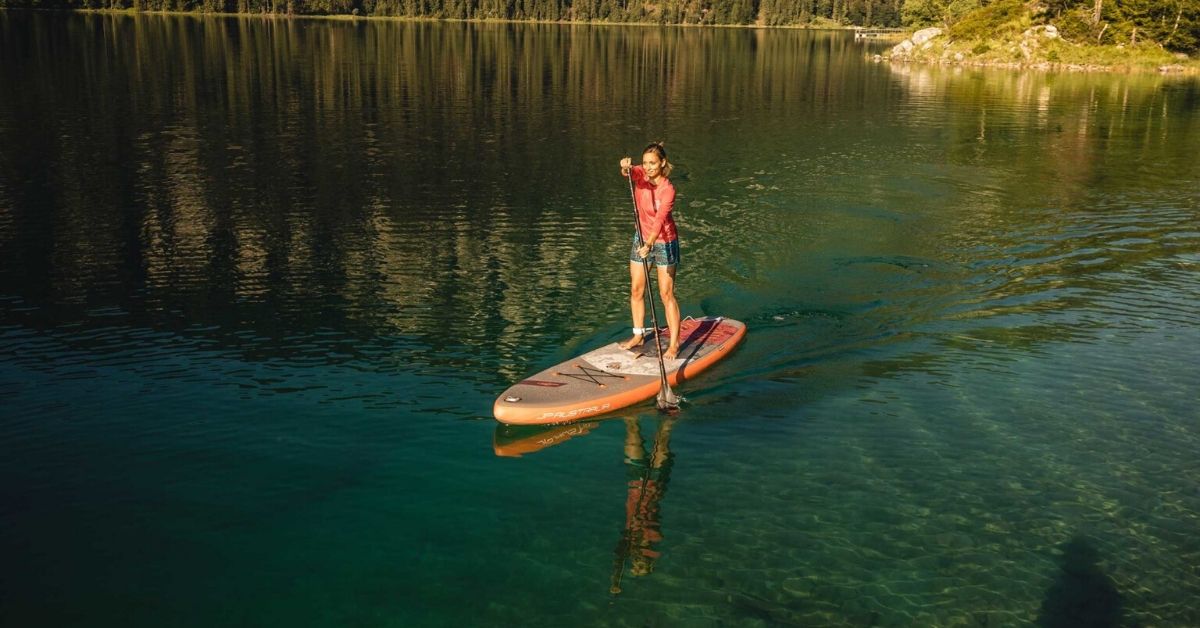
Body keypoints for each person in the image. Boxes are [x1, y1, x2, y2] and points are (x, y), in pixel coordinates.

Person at [618, 142, 681, 360]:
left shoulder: (668, 190)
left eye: (652, 163)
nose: (648, 167)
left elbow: (660, 220)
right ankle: (638, 335)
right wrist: (625, 167)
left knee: (666, 293)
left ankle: (674, 345)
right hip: (641, 239)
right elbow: (629, 171)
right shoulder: (640, 176)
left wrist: (650, 243)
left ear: (662, 163)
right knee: (636, 289)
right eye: (645, 163)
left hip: (664, 242)